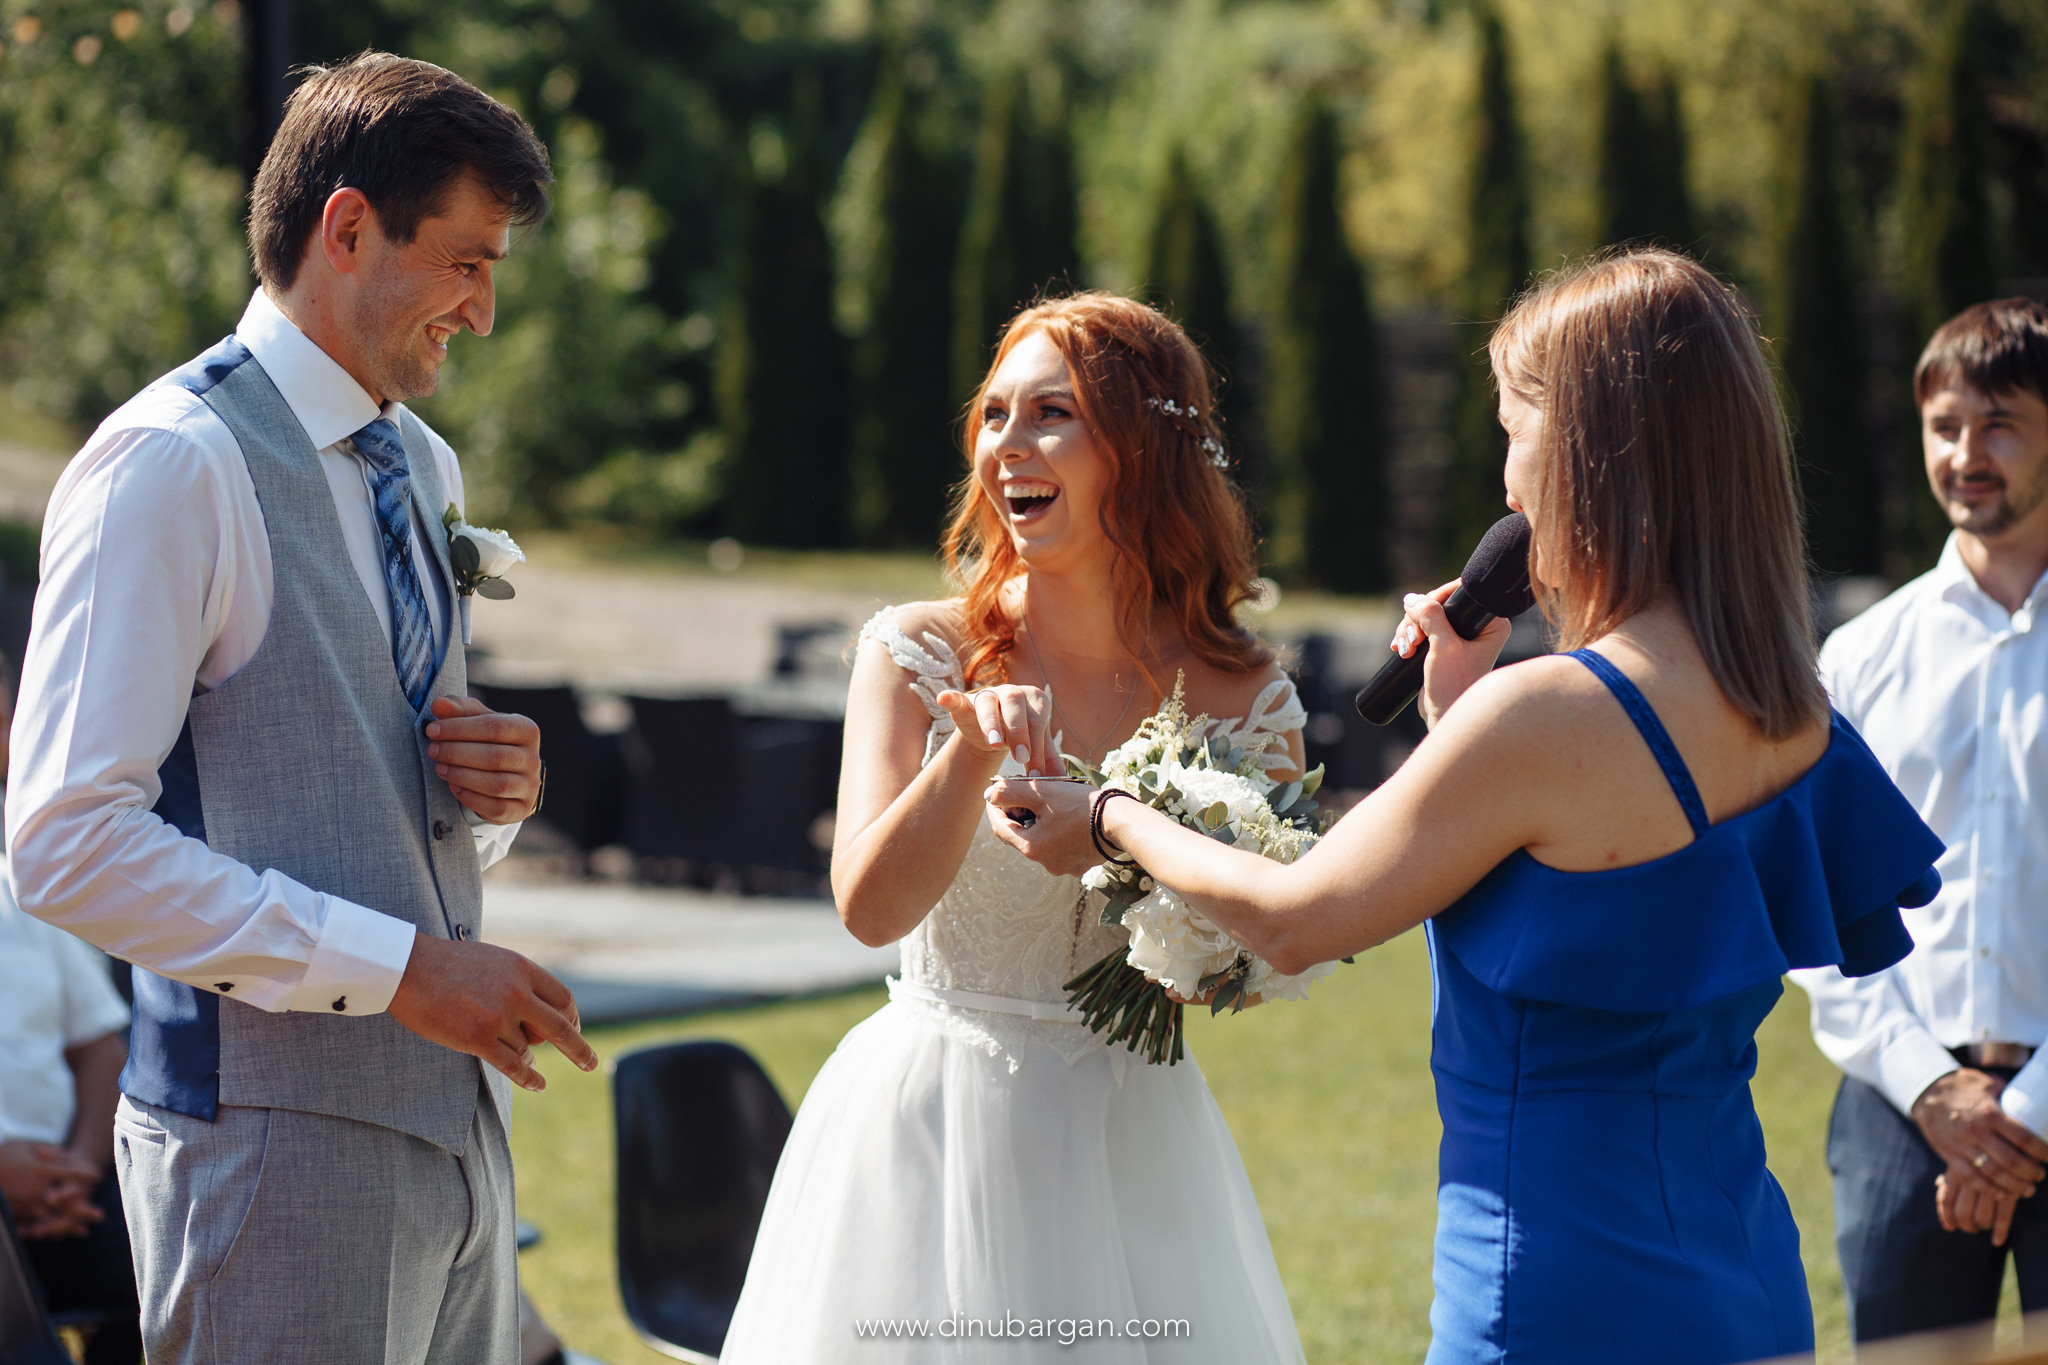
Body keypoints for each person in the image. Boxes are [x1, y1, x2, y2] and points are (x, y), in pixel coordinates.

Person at [990, 249, 1946, 1364]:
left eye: (1513, 431)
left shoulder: (1544, 716)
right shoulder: (1789, 707)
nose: (1506, 483)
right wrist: (1458, 713)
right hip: (1743, 1276)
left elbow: (1296, 918)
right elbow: (1595, 872)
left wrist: (1109, 815)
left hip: (1553, 1294)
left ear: (1589, 447)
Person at [7, 54, 598, 1364]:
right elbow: (64, 842)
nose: (483, 312)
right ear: (346, 228)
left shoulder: (422, 462)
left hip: (454, 1145)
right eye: (465, 263)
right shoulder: (171, 462)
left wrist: (492, 798)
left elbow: (358, 786)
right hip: (263, 1156)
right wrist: (403, 971)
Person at [718, 293, 1308, 1362]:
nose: (1006, 445)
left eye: (1050, 413)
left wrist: (1189, 921)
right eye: (993, 414)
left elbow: (1266, 949)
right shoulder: (916, 652)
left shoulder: (1247, 697)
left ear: (1143, 447)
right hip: (932, 1130)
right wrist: (966, 756)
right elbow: (868, 909)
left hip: (1135, 1138)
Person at [1788, 297, 2048, 1345]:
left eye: (2000, 425)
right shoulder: (1856, 657)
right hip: (1899, 1109)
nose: (1965, 454)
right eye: (1945, 426)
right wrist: (1931, 1085)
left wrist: (2021, 1116)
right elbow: (1813, 895)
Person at [1, 852, 140, 1364]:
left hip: (71, 1186)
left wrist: (81, 1165)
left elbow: (101, 1048)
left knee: (188, 1251)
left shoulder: (17, 889)